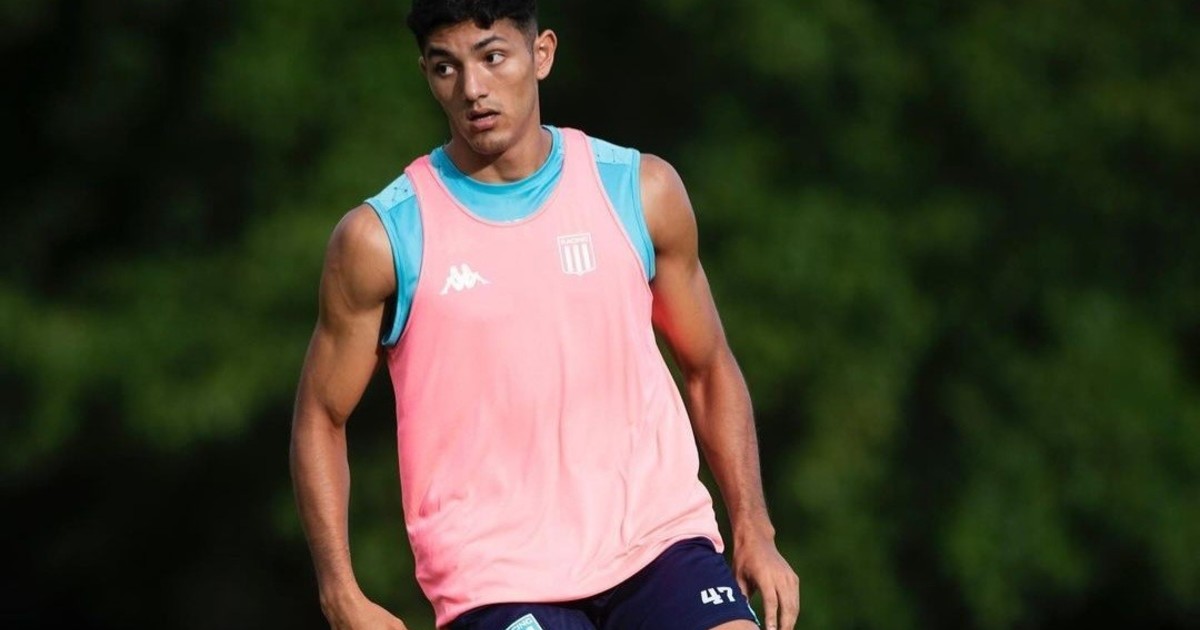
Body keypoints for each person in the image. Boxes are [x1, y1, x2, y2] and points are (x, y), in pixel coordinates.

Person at [290, 1, 800, 628]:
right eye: (446, 67)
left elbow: (708, 365)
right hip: (496, 579)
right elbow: (321, 415)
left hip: (657, 544)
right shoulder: (383, 238)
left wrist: (753, 527)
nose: (472, 88)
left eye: (492, 57)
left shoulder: (639, 191)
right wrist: (340, 592)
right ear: (426, 73)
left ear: (542, 54)